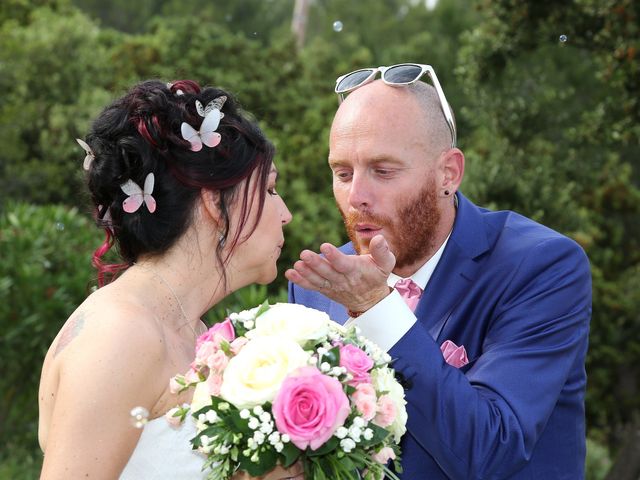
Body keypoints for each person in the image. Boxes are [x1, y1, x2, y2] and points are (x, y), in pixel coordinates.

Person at [286, 63, 591, 479]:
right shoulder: (319, 287)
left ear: (448, 173)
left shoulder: (541, 267)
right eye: (342, 173)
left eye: (383, 171)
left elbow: (489, 450)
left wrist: (378, 311)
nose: (356, 196)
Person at [38, 79, 302, 480]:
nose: (286, 214)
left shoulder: (194, 331)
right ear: (215, 201)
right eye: (270, 188)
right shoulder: (122, 334)